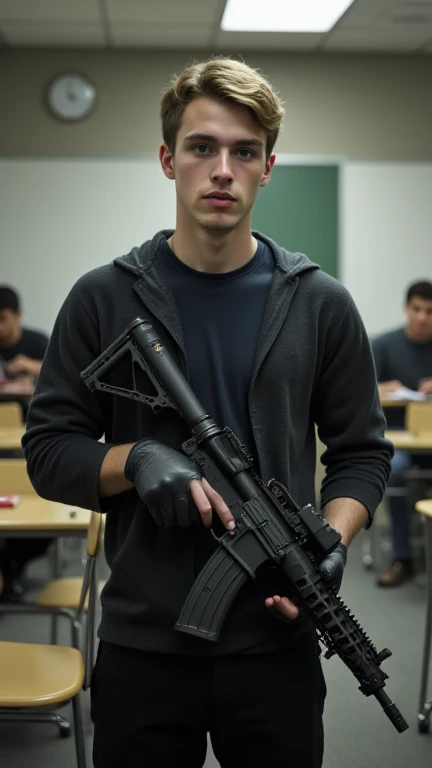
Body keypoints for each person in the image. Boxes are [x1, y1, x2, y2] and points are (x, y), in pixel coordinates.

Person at [22, 57, 392, 768]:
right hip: (142, 644)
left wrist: (333, 538)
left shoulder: (320, 303)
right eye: (202, 148)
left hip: (276, 642)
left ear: (267, 168)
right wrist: (133, 460)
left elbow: (362, 454)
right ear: (169, 160)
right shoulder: (103, 297)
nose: (222, 169)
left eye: (243, 152)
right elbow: (48, 450)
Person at [372, 280, 432, 587]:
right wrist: (385, 388)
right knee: (395, 471)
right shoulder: (384, 345)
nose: (422, 317)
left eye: (429, 311)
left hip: (429, 438)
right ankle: (403, 556)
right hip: (398, 437)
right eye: (417, 309)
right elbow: (357, 387)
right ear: (407, 308)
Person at [0, 285, 52, 601]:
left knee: (49, 505)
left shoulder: (37, 343)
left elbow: (68, 378)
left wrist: (31, 370)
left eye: (3, 319)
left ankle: (10, 565)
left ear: (17, 314)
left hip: (30, 450)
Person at [0, 286, 49, 380]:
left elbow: (61, 370)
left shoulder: (39, 342)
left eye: (2, 318)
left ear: (18, 313)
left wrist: (31, 366)